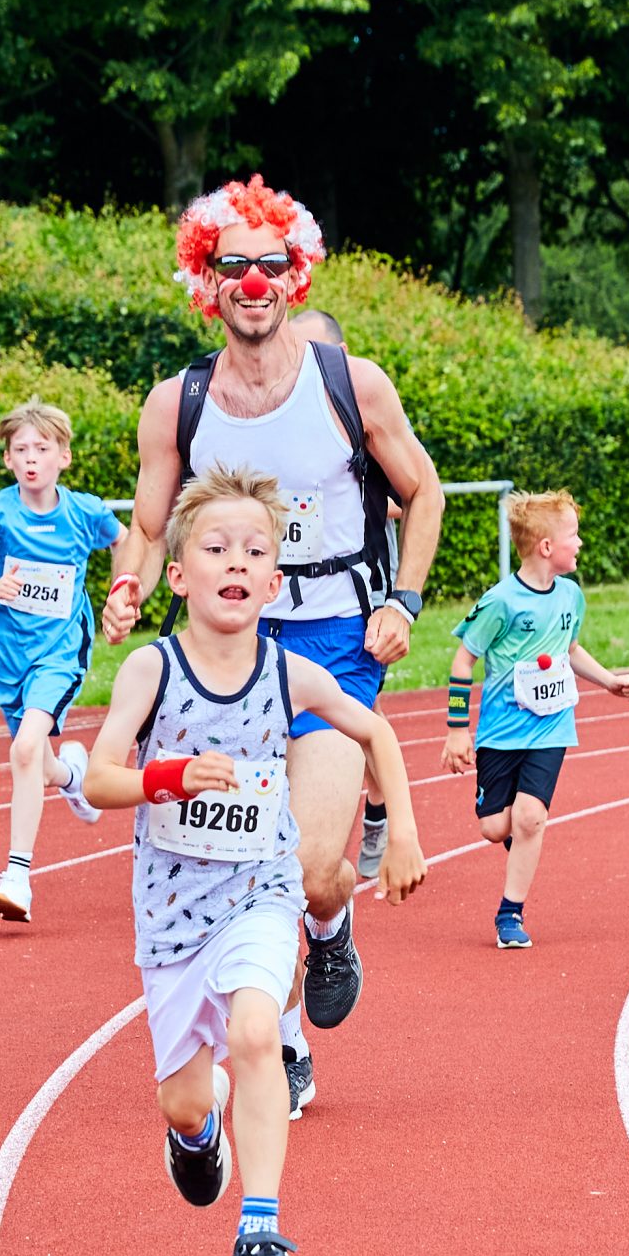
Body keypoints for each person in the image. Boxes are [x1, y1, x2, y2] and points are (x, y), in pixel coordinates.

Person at [103, 176, 445, 1122]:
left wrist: (406, 600)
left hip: (337, 633)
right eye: (232, 268)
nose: (252, 284)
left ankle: (330, 925)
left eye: (270, 266)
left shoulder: (351, 383)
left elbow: (424, 493)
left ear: (297, 274)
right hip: (219, 643)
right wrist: (129, 581)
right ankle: (285, 1042)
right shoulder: (177, 402)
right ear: (204, 282)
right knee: (245, 854)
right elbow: (147, 515)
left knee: (312, 864)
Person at [82, 465, 425, 1256]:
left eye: (254, 550)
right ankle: (195, 1138)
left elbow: (374, 727)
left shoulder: (289, 673)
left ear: (274, 582)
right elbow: (97, 776)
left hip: (259, 895)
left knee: (254, 1027)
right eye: (215, 546)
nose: (235, 561)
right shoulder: (151, 671)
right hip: (171, 918)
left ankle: (261, 1235)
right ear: (178, 573)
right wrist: (167, 776)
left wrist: (407, 830)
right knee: (187, 1095)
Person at [0, 399, 125, 922]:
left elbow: (126, 541)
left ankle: (18, 876)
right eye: (20, 450)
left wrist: (121, 590)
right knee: (36, 760)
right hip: (5, 656)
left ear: (63, 456)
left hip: (61, 650)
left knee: (23, 751)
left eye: (41, 449)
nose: (30, 459)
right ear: (7, 460)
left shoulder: (84, 512)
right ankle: (71, 775)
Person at [440, 491, 629, 948]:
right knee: (495, 827)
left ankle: (510, 914)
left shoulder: (571, 596)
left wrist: (607, 680)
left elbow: (569, 649)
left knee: (530, 818)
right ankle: (520, 845)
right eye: (573, 535)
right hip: (500, 731)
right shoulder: (501, 603)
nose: (581, 543)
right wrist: (456, 730)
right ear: (546, 547)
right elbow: (462, 662)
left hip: (551, 725)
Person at [290, 308, 394, 885]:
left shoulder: (357, 402)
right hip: (282, 611)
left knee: (360, 713)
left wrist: (398, 604)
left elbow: (406, 489)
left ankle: (381, 813)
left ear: (340, 352)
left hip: (358, 597)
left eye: (312, 352)